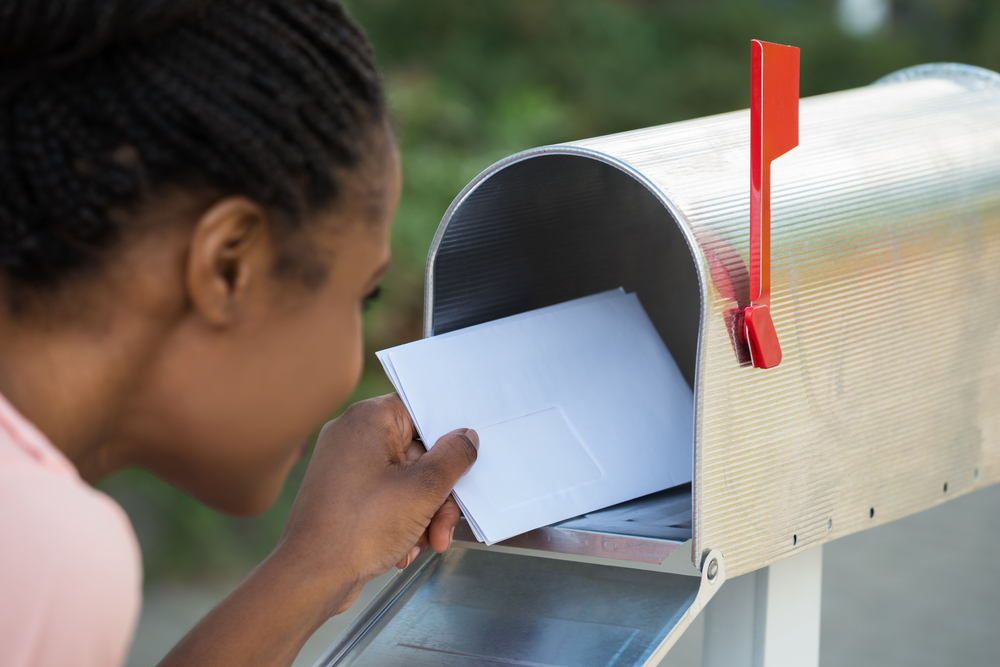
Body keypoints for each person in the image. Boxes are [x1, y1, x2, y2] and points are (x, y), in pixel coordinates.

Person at [0, 1, 479, 665]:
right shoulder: (40, 547)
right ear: (229, 265)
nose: (351, 361)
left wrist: (317, 565)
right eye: (359, 294)